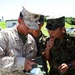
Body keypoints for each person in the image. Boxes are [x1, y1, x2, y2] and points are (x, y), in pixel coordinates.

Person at [0, 6, 43, 75]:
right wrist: (22, 63)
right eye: (28, 26)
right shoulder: (5, 36)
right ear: (19, 21)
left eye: (33, 27)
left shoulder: (31, 41)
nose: (31, 30)